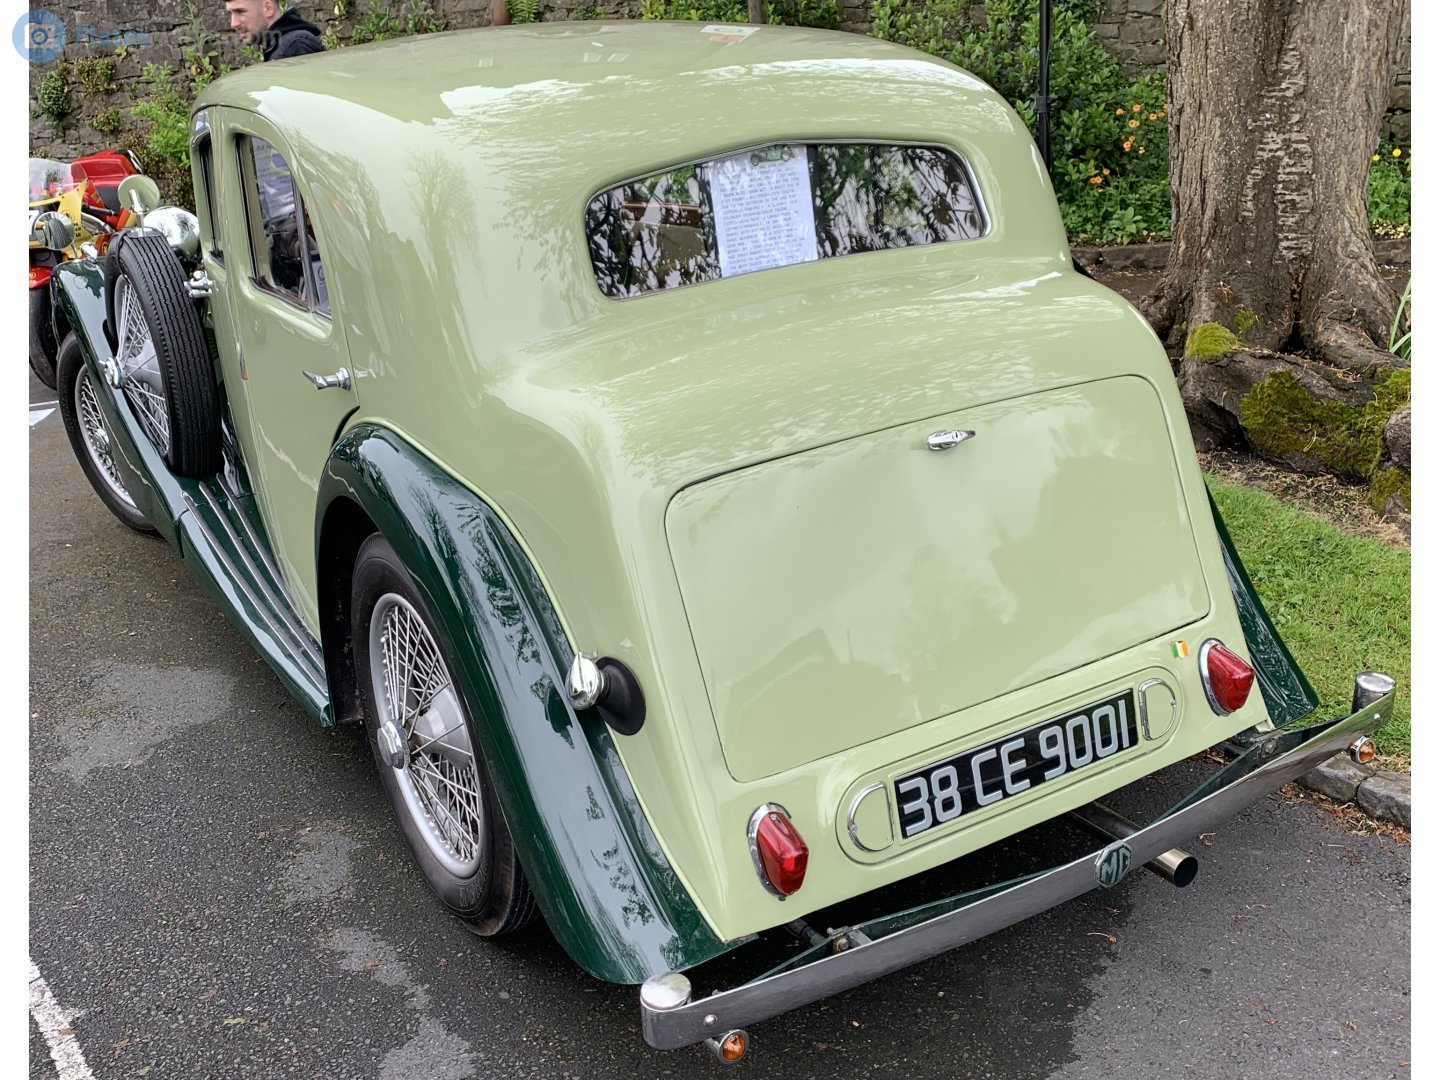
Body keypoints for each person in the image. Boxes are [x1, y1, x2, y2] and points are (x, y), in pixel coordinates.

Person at [224, 0, 326, 61]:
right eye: (230, 13)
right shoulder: (279, 47)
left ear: (268, 8)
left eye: (240, 11)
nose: (234, 23)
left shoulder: (296, 46)